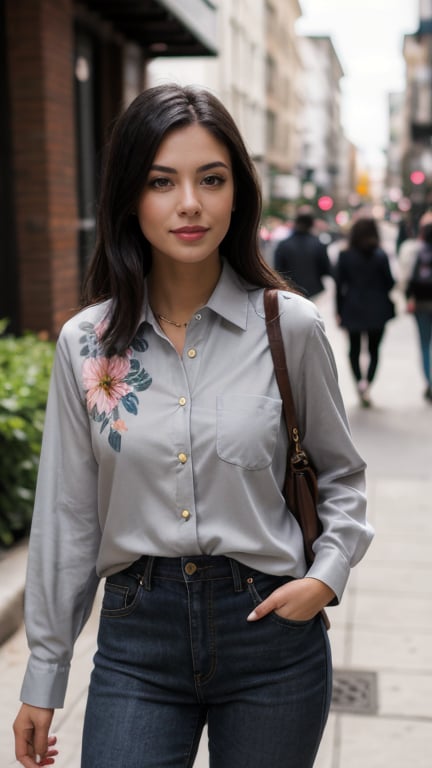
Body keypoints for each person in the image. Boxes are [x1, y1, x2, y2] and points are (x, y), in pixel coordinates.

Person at [13, 84, 373, 768]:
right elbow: (67, 517)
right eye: (161, 181)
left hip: (272, 635)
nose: (189, 203)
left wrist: (326, 576)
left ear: (237, 194)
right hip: (136, 642)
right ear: (128, 197)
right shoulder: (86, 345)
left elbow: (342, 477)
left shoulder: (289, 328)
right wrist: (45, 675)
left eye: (211, 179)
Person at [335, 217, 395, 407]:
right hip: (378, 308)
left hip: (352, 307)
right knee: (374, 350)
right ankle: (367, 383)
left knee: (353, 349)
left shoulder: (345, 255)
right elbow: (390, 283)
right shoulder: (380, 255)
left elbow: (338, 285)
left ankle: (359, 382)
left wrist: (339, 310)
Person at [274, 211, 333, 298]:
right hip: (313, 290)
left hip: (290, 291)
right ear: (312, 224)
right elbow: (326, 269)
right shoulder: (318, 244)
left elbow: (278, 270)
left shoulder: (283, 245)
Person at [405, 222, 432, 401]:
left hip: (422, 304)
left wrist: (409, 299)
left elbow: (411, 280)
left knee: (424, 345)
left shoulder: (419, 252)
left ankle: (429, 382)